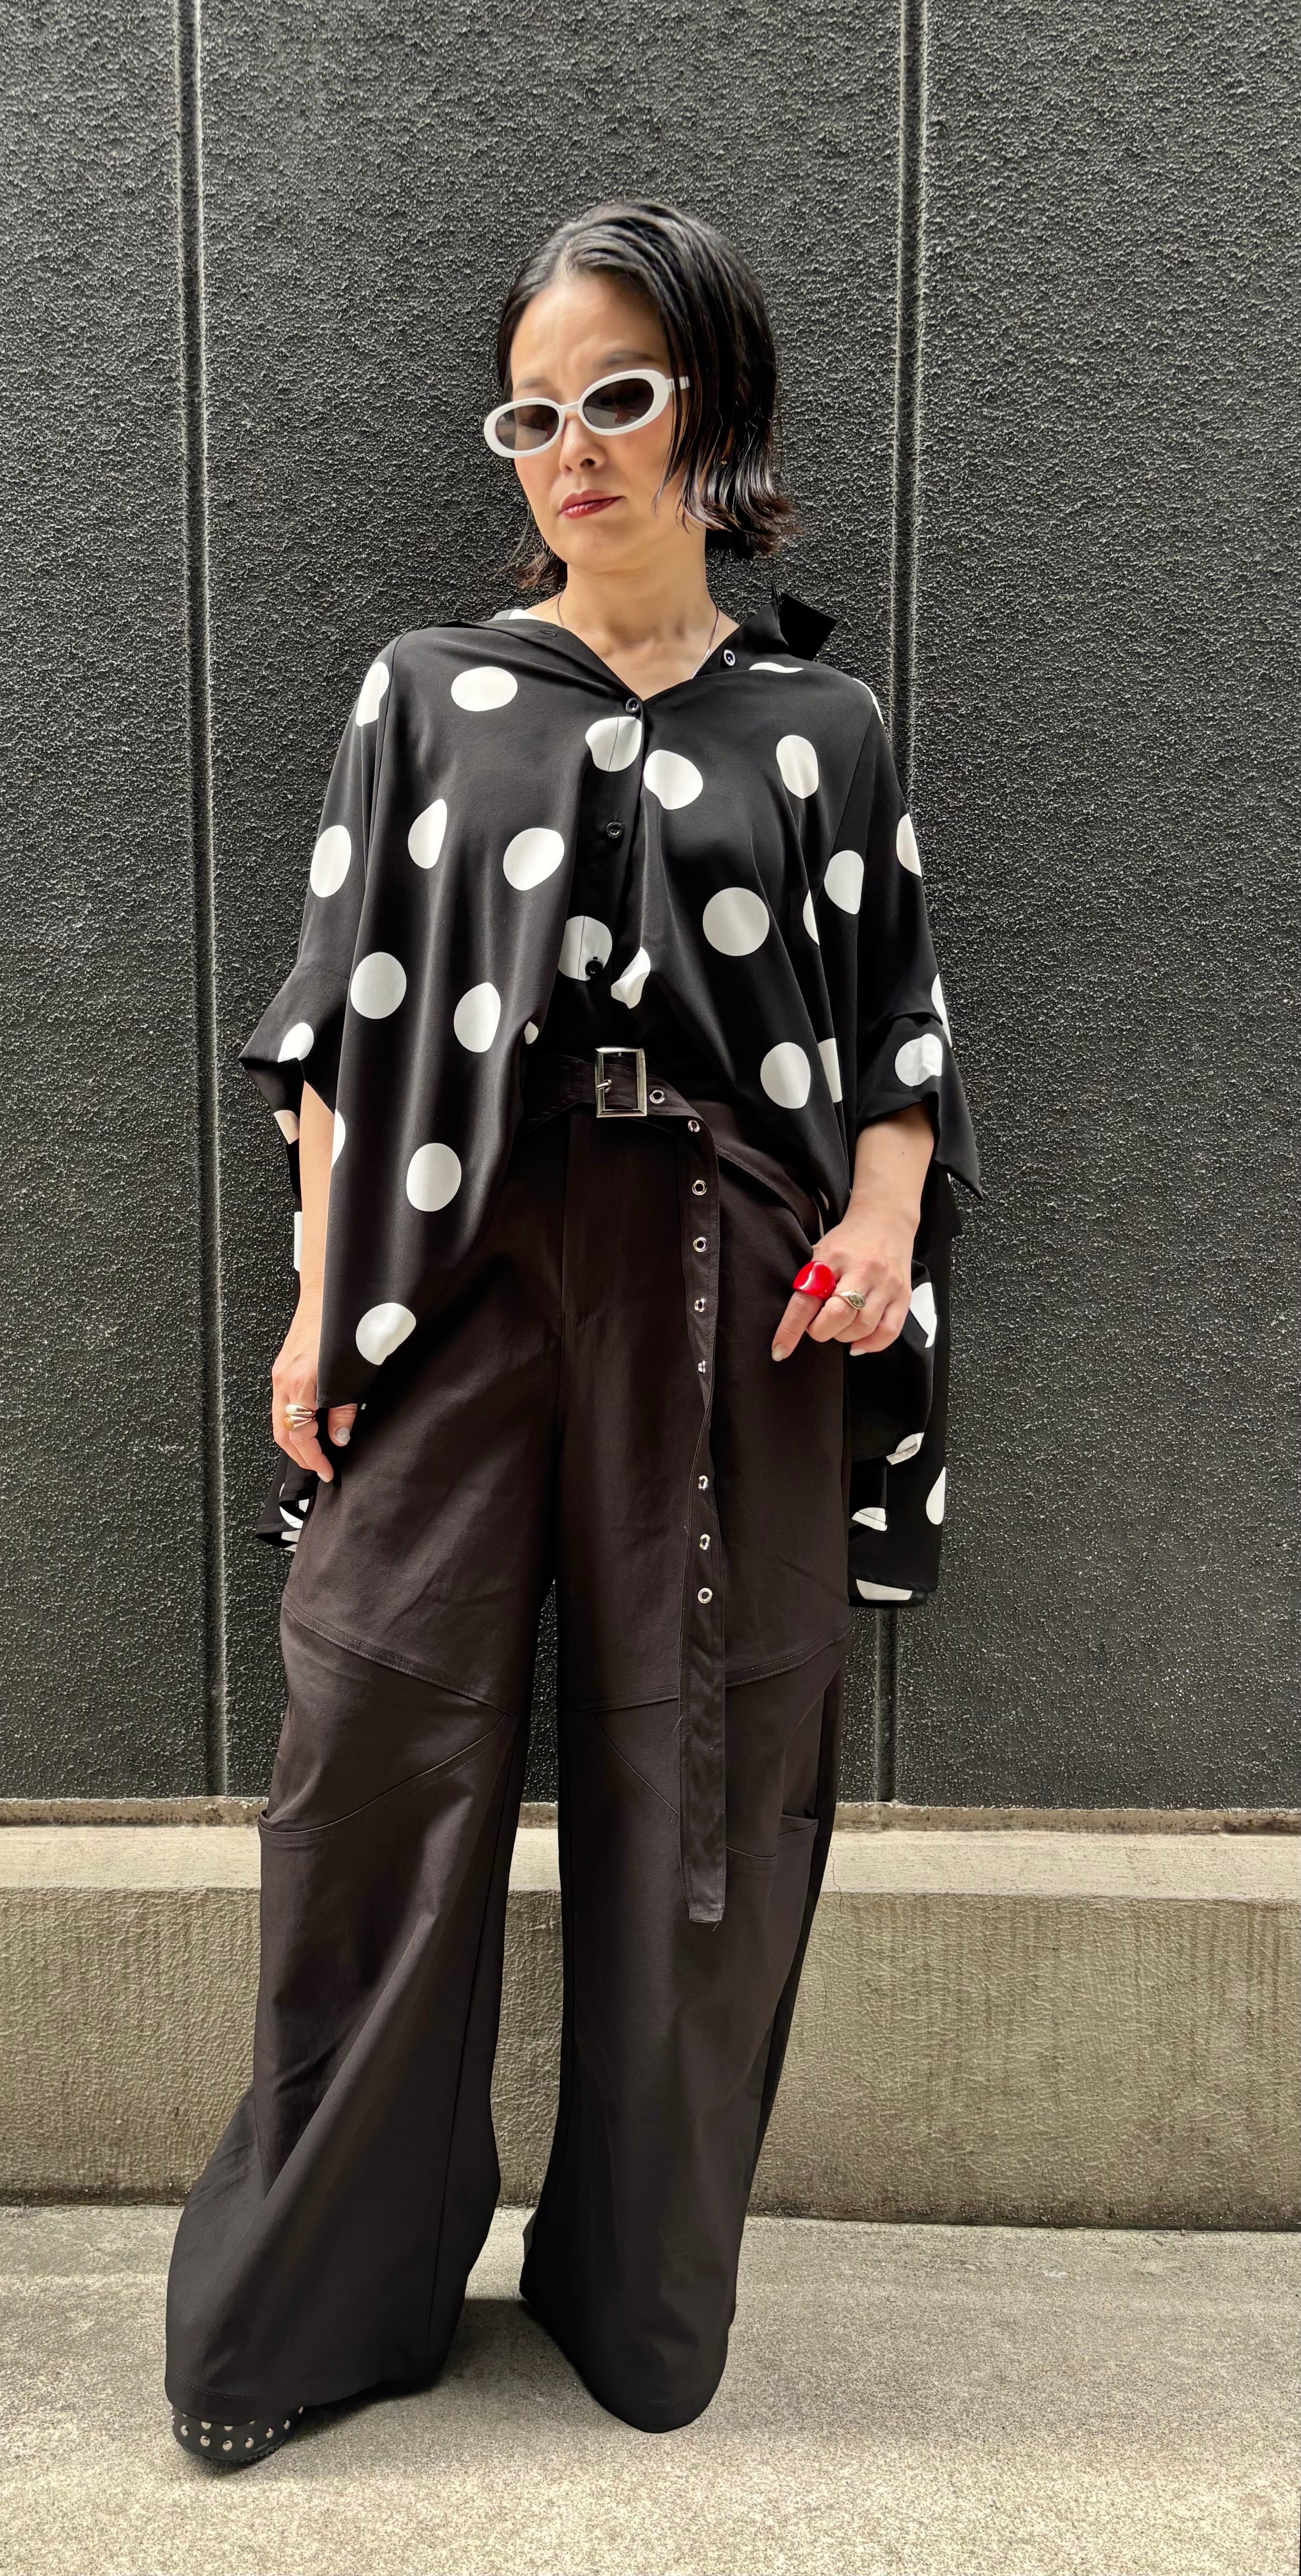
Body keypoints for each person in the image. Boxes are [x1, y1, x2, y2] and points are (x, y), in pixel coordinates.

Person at [163, 197, 983, 2467]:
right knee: (371, 1753)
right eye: (530, 416)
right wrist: (316, 1305)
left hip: (739, 1288)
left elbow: (895, 1031)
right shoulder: (426, 691)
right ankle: (315, 2314)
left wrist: (880, 1227)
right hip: (455, 1268)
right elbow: (334, 1034)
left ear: (712, 407)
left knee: (704, 1779)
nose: (571, 450)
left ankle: (635, 2302)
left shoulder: (819, 729)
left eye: (614, 397)